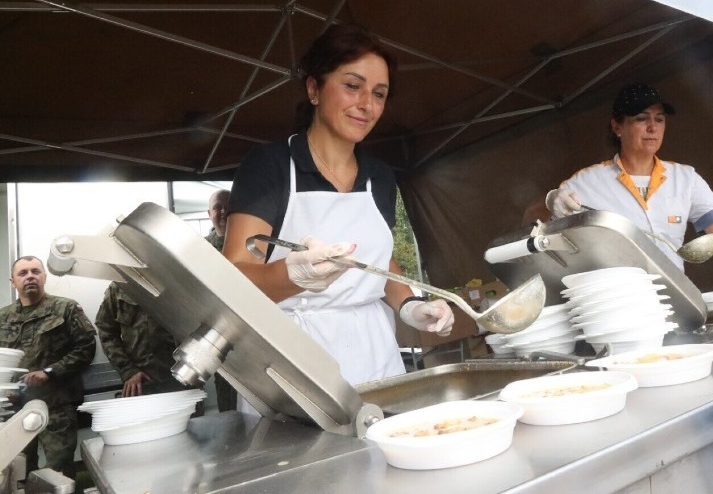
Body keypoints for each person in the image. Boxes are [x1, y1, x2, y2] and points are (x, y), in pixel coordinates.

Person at [222, 23, 454, 392]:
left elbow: (380, 261)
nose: (367, 104)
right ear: (314, 88)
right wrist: (291, 276)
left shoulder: (380, 176)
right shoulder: (271, 166)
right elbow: (235, 275)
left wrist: (409, 305)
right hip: (294, 363)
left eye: (379, 94)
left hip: (377, 355)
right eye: (352, 86)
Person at [545, 83, 713, 277]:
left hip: (675, 301)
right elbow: (538, 229)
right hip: (616, 307)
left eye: (659, 119)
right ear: (617, 127)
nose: (653, 128)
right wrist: (551, 199)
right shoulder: (588, 182)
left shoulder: (684, 178)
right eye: (641, 119)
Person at [0, 256, 96, 479]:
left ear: (44, 276)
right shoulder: (2, 317)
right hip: (15, 408)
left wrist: (49, 372)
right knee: (17, 470)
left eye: (35, 271)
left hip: (57, 406)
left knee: (58, 471)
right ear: (12, 282)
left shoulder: (65, 308)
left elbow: (86, 348)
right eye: (23, 273)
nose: (30, 276)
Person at [95, 281, 188, 397]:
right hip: (141, 381)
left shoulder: (178, 281)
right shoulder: (119, 286)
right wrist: (128, 370)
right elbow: (106, 330)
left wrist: (193, 367)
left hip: (182, 376)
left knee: (192, 415)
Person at [203, 188, 238, 411]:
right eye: (217, 207)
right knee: (228, 403)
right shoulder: (199, 250)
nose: (223, 211)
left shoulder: (255, 244)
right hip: (220, 339)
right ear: (209, 213)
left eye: (228, 206)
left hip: (253, 338)